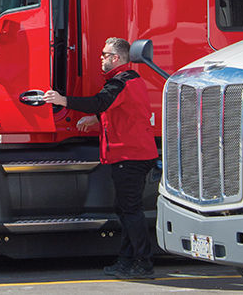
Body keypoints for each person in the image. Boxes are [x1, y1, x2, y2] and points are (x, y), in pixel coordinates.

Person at [43, 37, 158, 278]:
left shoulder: (120, 83)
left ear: (116, 59)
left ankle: (143, 263)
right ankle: (127, 260)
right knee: (126, 209)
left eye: (105, 54)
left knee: (130, 210)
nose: (101, 58)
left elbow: (100, 101)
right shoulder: (129, 81)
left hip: (130, 155)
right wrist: (96, 118)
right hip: (132, 154)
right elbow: (120, 108)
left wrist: (62, 100)